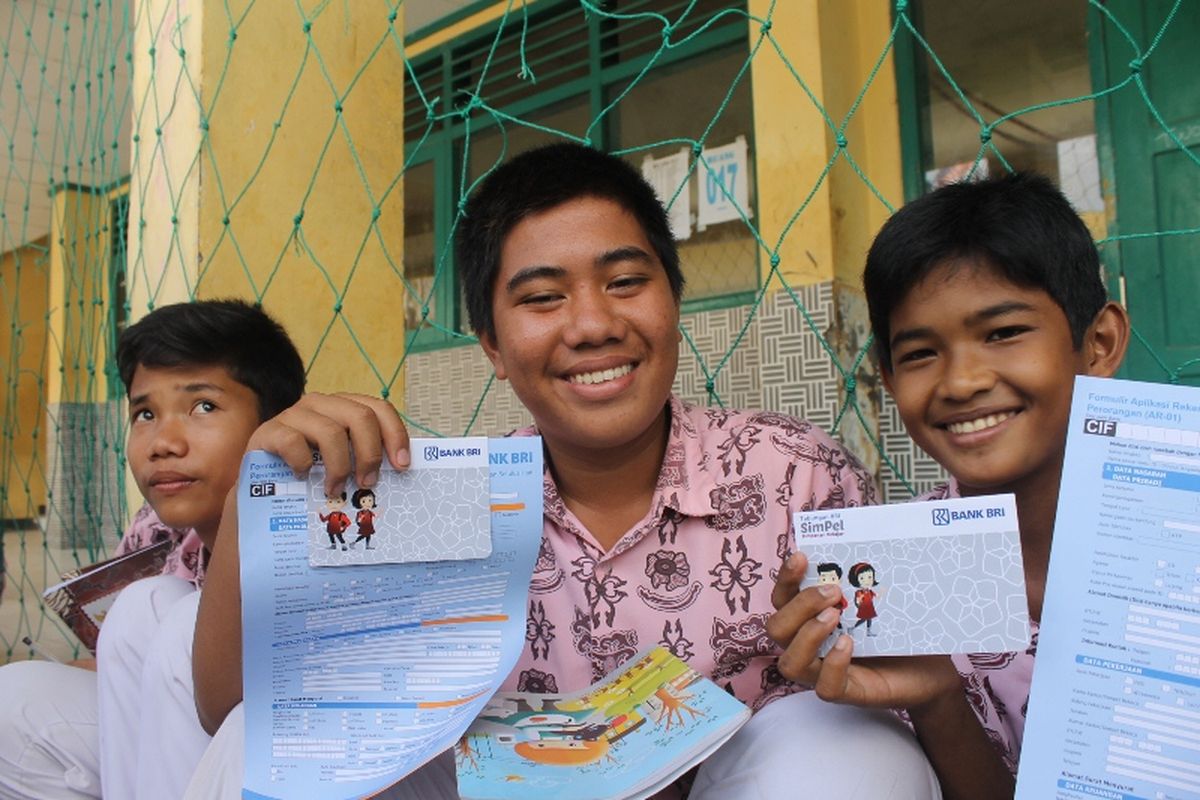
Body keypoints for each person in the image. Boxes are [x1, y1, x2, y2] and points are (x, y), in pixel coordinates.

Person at [186, 143, 940, 800]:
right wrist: (257, 494)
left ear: (674, 299)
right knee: (267, 733)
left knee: (854, 743)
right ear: (490, 344)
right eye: (544, 298)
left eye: (625, 282)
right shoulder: (441, 502)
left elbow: (914, 704)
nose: (592, 325)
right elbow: (235, 719)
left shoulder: (797, 475)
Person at [766, 172, 1130, 799]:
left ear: (1097, 342)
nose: (961, 382)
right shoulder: (897, 576)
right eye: (920, 353)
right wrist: (935, 697)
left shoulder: (1172, 523)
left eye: (1003, 333)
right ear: (885, 376)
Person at [0, 299, 305, 800]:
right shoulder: (156, 530)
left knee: (180, 622)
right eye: (144, 413)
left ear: (275, 421)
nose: (162, 442)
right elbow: (127, 668)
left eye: (203, 406)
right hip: (179, 753)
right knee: (17, 699)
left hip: (297, 751)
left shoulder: (317, 518)